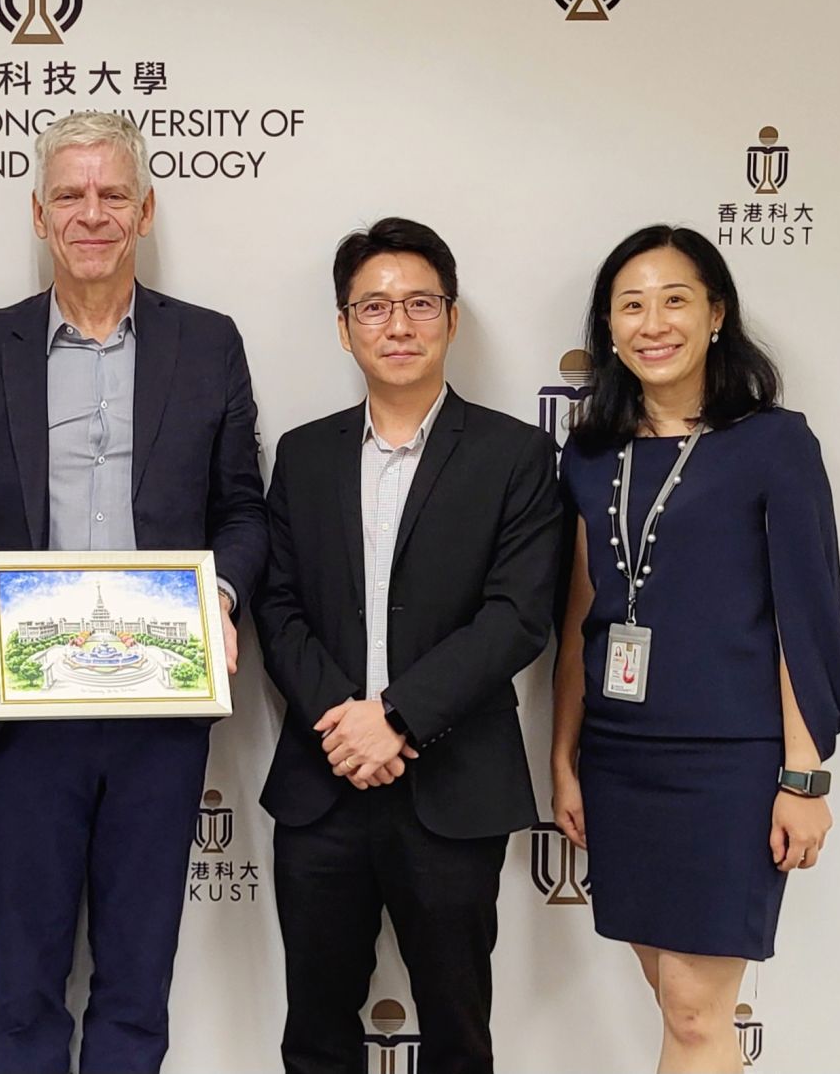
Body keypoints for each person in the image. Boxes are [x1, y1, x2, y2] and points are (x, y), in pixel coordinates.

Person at [0, 111, 267, 1074]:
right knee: (25, 982)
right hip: (23, 707)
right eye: (70, 195)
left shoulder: (208, 344)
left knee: (135, 977)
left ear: (146, 208)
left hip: (160, 710)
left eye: (113, 193)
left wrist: (224, 599)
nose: (92, 213)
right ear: (39, 214)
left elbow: (243, 509)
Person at [254, 219, 564, 1074]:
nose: (398, 325)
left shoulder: (517, 454)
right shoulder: (304, 453)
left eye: (420, 303)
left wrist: (395, 718)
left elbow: (517, 616)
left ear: (452, 320)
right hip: (323, 784)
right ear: (345, 325)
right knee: (316, 1029)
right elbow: (277, 608)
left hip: (456, 785)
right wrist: (344, 724)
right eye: (374, 306)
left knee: (458, 1030)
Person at [550, 225, 840, 1074]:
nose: (654, 322)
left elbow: (806, 613)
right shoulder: (591, 452)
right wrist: (564, 753)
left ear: (716, 313)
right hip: (620, 759)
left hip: (731, 764)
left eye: (675, 299)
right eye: (631, 304)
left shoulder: (774, 443)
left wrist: (803, 772)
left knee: (692, 1014)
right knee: (680, 1002)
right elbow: (581, 613)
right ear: (608, 327)